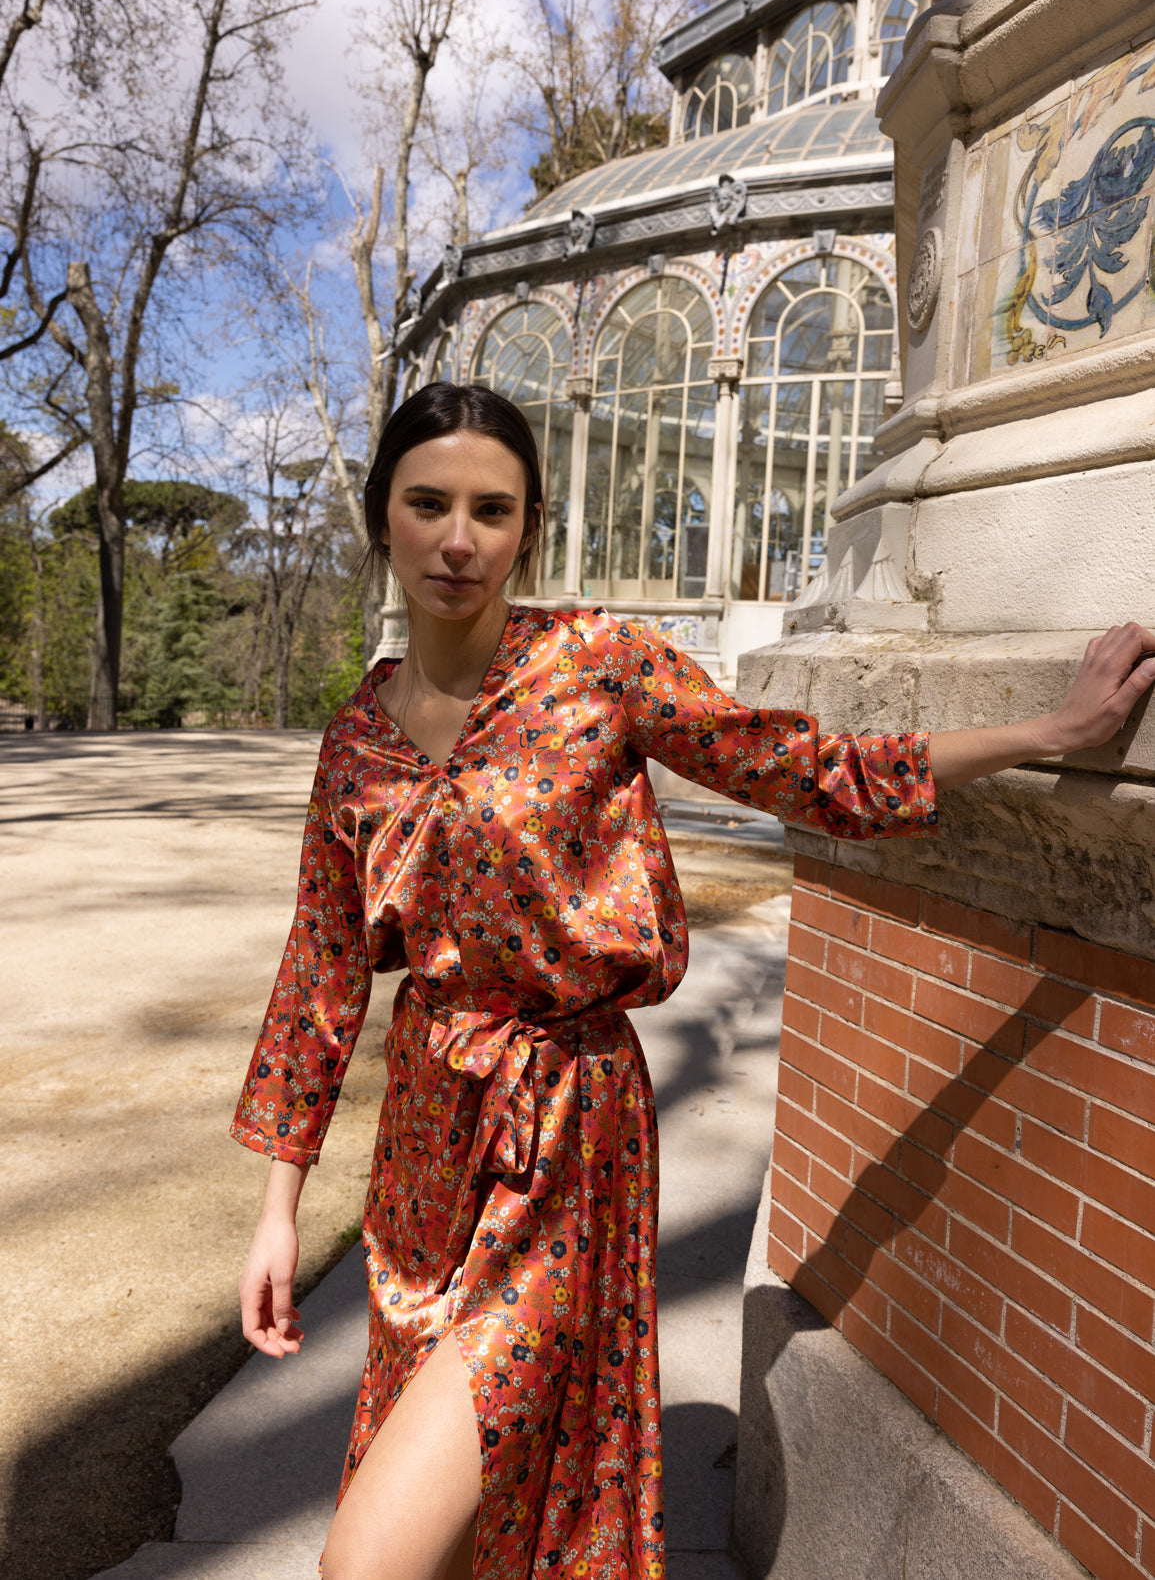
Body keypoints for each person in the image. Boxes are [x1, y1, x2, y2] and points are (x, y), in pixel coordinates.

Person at [232, 382, 1155, 1580]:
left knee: (369, 1559)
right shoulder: (356, 739)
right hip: (424, 1143)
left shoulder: (597, 663)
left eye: (491, 510)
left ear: (529, 528)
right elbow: (317, 976)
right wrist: (276, 1208)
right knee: (468, 1520)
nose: (458, 539)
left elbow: (801, 767)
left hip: (566, 1133)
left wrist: (1045, 733)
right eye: (428, 504)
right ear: (383, 518)